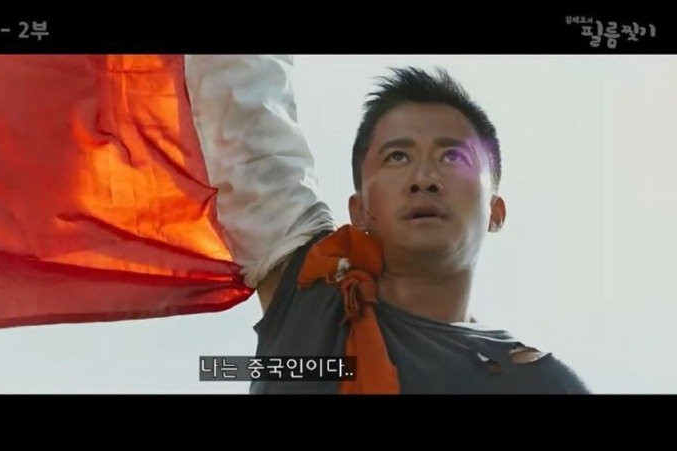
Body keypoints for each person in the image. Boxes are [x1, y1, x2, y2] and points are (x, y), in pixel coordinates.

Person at [250, 66, 591, 394]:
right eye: (398, 157)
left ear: (495, 211)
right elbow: (247, 107)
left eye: (453, 157)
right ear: (359, 210)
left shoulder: (539, 382)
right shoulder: (311, 295)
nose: (424, 179)